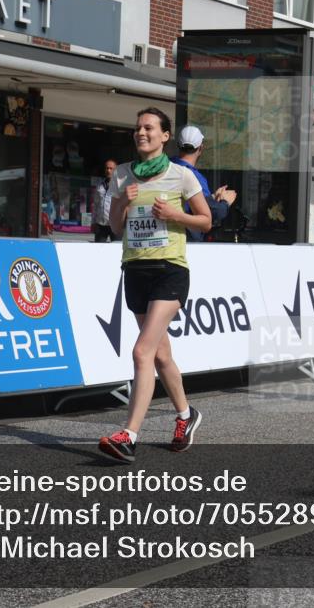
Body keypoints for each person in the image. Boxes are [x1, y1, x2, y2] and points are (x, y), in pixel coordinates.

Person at [98, 108, 213, 464]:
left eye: (148, 128)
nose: (141, 133)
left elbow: (205, 221)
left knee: (141, 351)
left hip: (169, 270)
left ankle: (129, 435)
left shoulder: (182, 175)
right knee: (161, 354)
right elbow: (116, 227)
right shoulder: (122, 174)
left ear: (165, 136)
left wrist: (175, 216)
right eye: (137, 128)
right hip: (135, 270)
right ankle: (185, 415)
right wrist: (122, 201)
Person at [170, 125, 237, 241]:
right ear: (200, 148)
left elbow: (192, 202)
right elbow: (210, 212)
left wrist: (212, 197)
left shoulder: (167, 167)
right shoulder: (194, 176)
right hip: (186, 240)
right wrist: (225, 202)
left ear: (178, 145)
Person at [92, 158, 118, 243]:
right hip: (101, 225)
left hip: (116, 225)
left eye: (111, 168)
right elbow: (95, 205)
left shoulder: (121, 186)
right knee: (98, 250)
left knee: (117, 251)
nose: (108, 170)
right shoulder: (99, 185)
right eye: (107, 168)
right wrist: (93, 222)